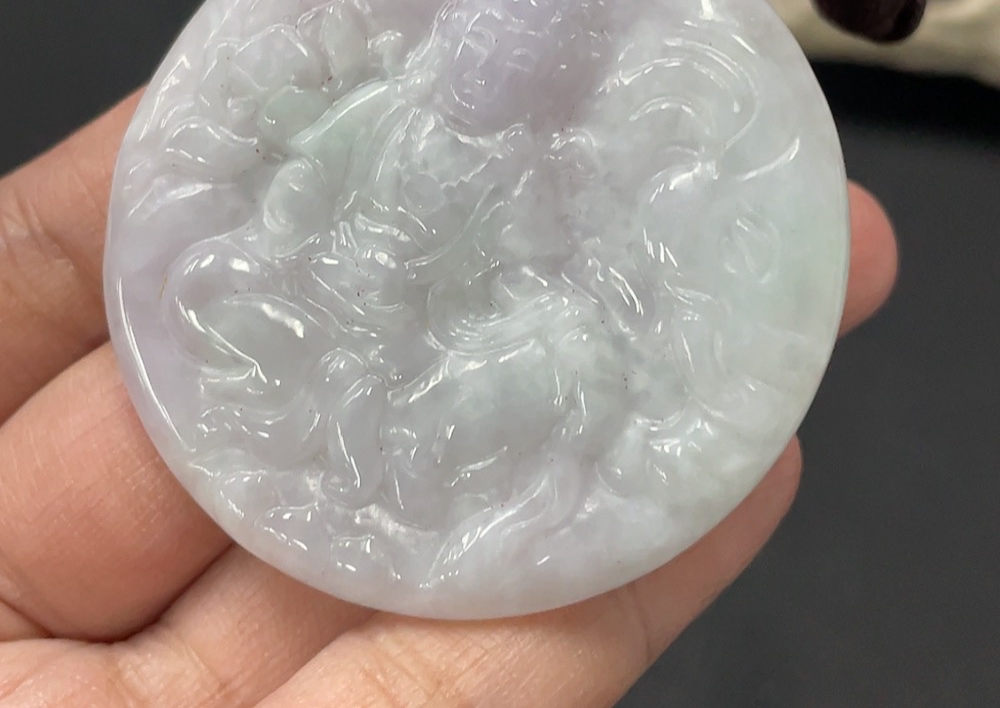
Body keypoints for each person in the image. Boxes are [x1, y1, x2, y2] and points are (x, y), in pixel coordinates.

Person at [0, 92, 897, 706]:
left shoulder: (531, 221)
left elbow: (513, 274)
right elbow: (304, 198)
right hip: (345, 320)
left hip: (443, 351)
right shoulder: (382, 124)